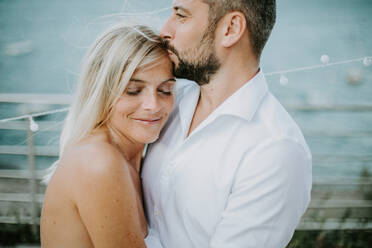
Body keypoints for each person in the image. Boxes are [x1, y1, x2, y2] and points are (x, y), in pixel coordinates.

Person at [142, 0, 312, 247]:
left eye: (181, 16)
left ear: (231, 28)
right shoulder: (168, 104)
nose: (164, 31)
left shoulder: (276, 150)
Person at [40, 23, 175, 247]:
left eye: (165, 90)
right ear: (102, 91)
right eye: (133, 90)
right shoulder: (99, 162)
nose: (153, 105)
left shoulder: (132, 159)